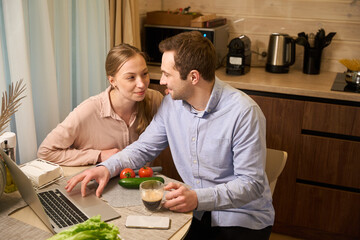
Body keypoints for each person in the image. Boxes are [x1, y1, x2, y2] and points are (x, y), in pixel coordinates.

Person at [66, 31, 274, 240]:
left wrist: (197, 198)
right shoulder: (171, 105)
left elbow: (251, 184)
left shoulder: (244, 112)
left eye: (167, 74)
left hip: (241, 219)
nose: (161, 81)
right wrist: (106, 168)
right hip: (196, 213)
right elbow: (143, 148)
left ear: (193, 77)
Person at [37, 44, 163, 166]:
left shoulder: (155, 100)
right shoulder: (89, 110)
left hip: (144, 183)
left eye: (144, 74)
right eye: (131, 77)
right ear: (112, 81)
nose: (141, 84)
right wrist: (99, 155)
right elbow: (45, 152)